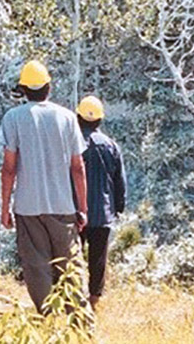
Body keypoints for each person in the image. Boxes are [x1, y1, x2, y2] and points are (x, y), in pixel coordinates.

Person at [0, 60, 88, 313]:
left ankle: (49, 321)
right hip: (63, 206)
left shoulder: (12, 118)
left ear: (23, 90)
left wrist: (5, 208)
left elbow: (9, 169)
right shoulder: (68, 117)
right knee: (71, 266)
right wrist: (82, 208)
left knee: (37, 269)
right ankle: (80, 324)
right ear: (48, 87)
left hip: (27, 208)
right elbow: (78, 167)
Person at [75, 95, 126, 310]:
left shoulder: (72, 145)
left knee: (72, 259)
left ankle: (72, 299)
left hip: (74, 213)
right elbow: (119, 182)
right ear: (99, 121)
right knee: (98, 261)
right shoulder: (111, 146)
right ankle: (94, 302)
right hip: (102, 214)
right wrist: (119, 207)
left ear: (78, 118)